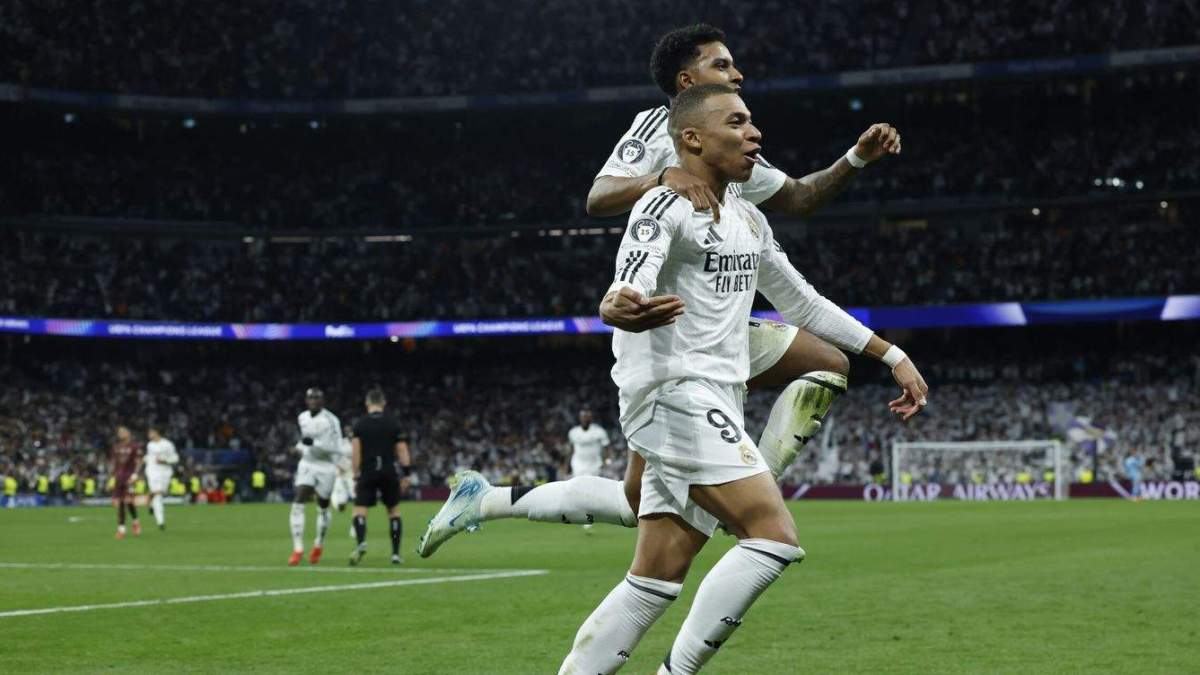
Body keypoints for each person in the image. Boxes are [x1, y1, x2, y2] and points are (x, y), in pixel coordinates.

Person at [418, 23, 902, 558]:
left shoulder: (735, 147)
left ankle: (488, 499)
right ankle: (749, 488)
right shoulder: (653, 128)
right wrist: (660, 178)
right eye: (722, 65)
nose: (737, 73)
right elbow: (599, 197)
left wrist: (855, 159)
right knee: (634, 502)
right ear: (685, 79)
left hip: (720, 326)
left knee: (825, 363)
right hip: (668, 335)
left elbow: (801, 197)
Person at [555, 84, 929, 673]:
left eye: (752, 121)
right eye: (737, 121)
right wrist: (619, 303)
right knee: (772, 534)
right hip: (671, 393)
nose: (755, 132)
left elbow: (802, 304)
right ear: (692, 139)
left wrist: (890, 354)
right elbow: (630, 277)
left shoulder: (748, 219)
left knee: (654, 579)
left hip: (717, 398)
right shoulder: (662, 205)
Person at [348, 388, 412, 566]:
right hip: (388, 471)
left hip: (367, 472)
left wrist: (355, 475)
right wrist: (406, 474)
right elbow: (402, 450)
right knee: (393, 512)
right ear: (383, 403)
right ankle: (395, 554)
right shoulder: (393, 423)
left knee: (360, 510)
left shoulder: (360, 424)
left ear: (367, 403)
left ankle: (361, 542)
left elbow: (356, 452)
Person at [287, 387, 343, 566]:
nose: (313, 401)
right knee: (298, 500)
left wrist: (315, 444)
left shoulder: (331, 420)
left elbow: (337, 447)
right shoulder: (302, 417)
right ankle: (297, 549)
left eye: (316, 398)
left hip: (326, 467)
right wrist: (298, 449)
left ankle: (318, 544)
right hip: (307, 464)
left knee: (323, 506)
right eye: (310, 398)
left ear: (322, 401)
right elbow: (304, 441)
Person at [567, 408, 611, 530]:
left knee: (591, 489)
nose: (585, 419)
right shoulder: (573, 432)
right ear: (580, 418)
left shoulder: (599, 432)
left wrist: (606, 460)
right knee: (579, 488)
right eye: (583, 416)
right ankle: (581, 513)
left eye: (587, 416)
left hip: (594, 464)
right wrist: (567, 465)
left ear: (591, 418)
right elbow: (571, 449)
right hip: (578, 463)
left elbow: (607, 447)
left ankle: (590, 514)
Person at [110, 426, 143, 539]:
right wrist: (112, 477)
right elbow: (114, 463)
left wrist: (135, 474)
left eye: (123, 431)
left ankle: (134, 523)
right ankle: (122, 529)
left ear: (129, 433)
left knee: (128, 501)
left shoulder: (135, 446)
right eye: (119, 432)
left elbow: (139, 461)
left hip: (129, 477)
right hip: (119, 478)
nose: (121, 434)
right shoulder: (116, 447)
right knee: (120, 503)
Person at [145, 426, 179, 530]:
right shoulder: (149, 445)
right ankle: (161, 522)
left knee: (160, 493)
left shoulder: (167, 444)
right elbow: (149, 458)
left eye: (150, 432)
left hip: (165, 472)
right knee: (158, 494)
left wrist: (165, 461)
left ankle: (150, 500)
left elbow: (175, 458)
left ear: (156, 432)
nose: (149, 434)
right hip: (152, 471)